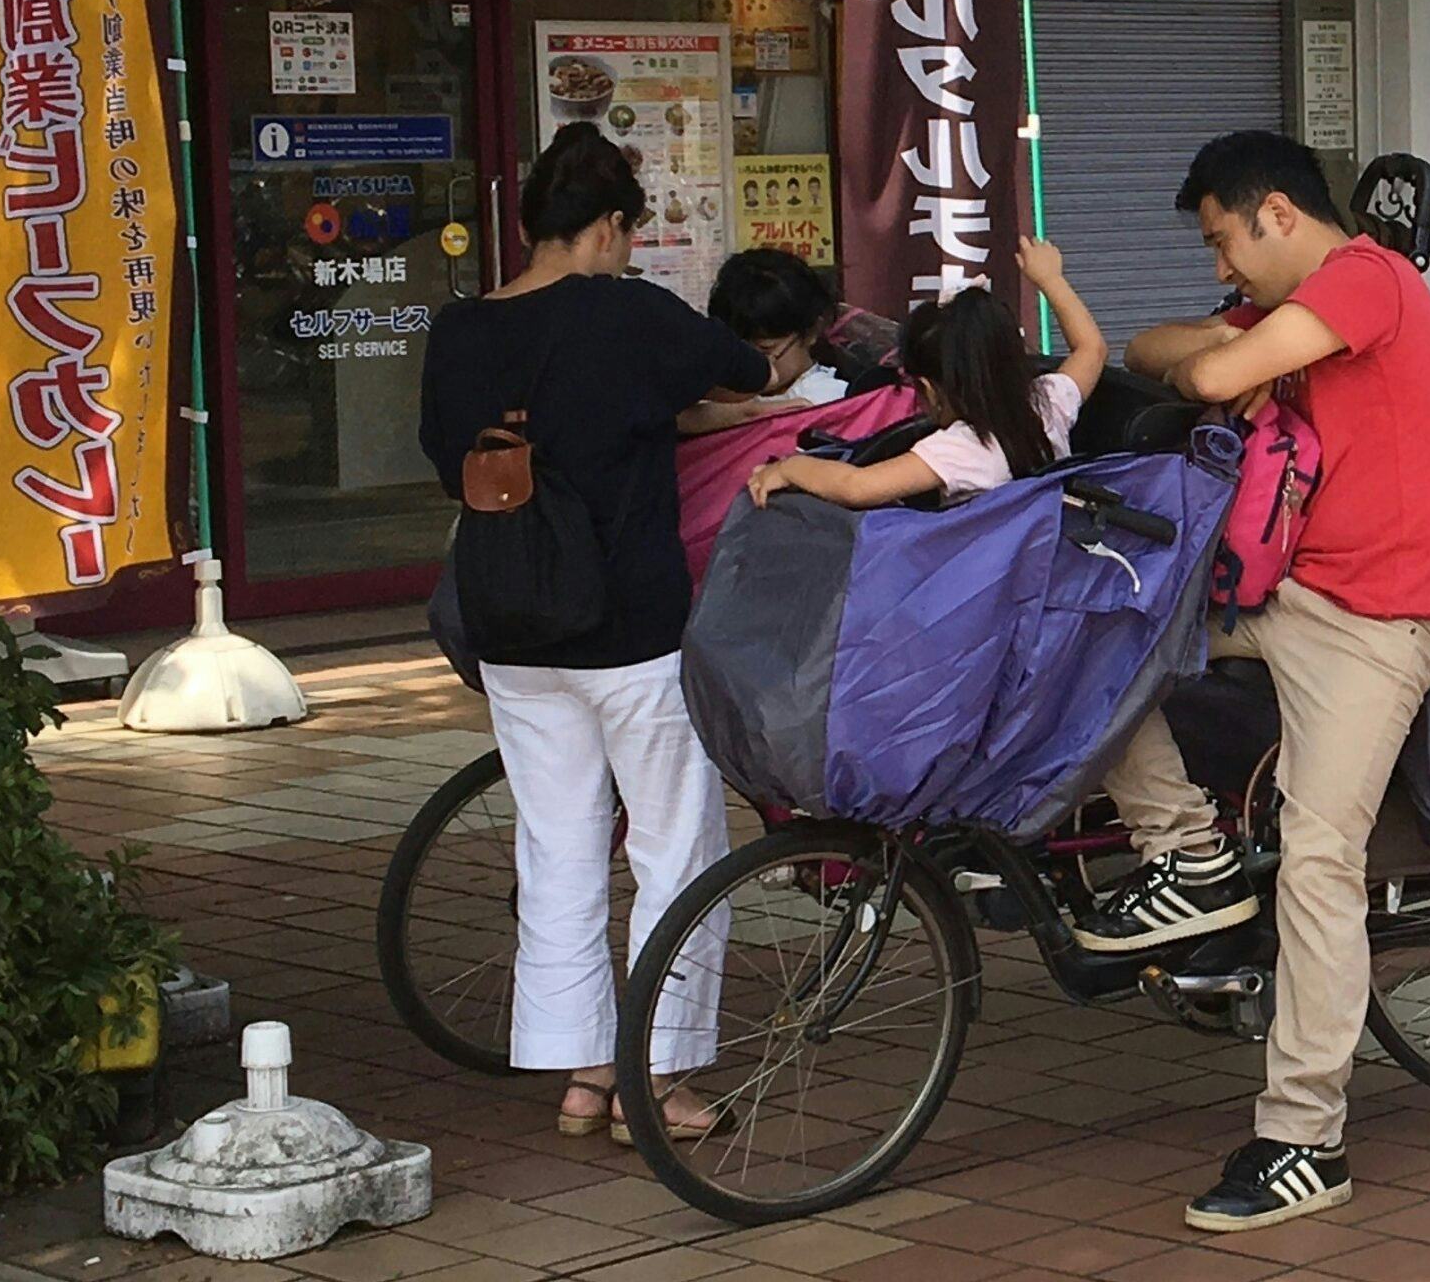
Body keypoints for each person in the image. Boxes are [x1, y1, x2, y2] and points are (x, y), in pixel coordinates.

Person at [1088, 131, 1430, 1233]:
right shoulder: (1290, 308)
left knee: (1317, 858)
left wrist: (1216, 354)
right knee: (1095, 646)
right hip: (1284, 597)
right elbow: (1158, 343)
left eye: (1223, 241)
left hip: (1380, 621)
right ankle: (1189, 854)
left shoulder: (1367, 280)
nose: (1219, 266)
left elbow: (1201, 371)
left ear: (1278, 215)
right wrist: (1215, 343)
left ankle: (1305, 1139)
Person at [417, 122, 781, 1145]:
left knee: (560, 847)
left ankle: (582, 1074)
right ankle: (654, 1082)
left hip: (511, 631)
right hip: (628, 631)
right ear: (610, 228)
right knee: (677, 845)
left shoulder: (459, 332)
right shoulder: (627, 317)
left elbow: (450, 457)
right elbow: (747, 370)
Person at [746, 237, 1107, 507]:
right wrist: (1050, 279)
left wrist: (788, 469)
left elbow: (856, 487)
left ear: (929, 389)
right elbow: (1092, 348)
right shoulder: (1047, 403)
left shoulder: (962, 447)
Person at [680, 249, 843, 434]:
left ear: (812, 332)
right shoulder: (718, 394)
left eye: (764, 350)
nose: (748, 365)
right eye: (736, 350)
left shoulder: (827, 399)